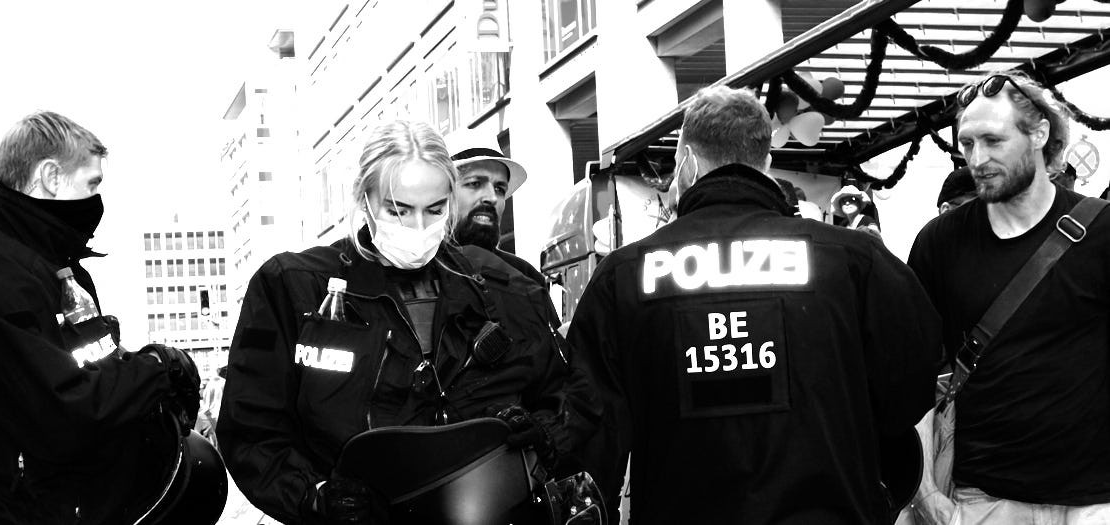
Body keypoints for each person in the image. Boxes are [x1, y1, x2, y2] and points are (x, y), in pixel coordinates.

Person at [568, 86, 941, 523]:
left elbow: (592, 436)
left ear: (685, 161)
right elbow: (910, 389)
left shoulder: (625, 275)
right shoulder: (853, 262)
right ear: (765, 162)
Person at [217, 120, 598, 524]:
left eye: (434, 210)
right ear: (365, 200)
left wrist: (544, 435)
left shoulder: (510, 288)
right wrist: (315, 496)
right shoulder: (291, 288)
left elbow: (574, 394)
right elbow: (251, 428)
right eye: (399, 209)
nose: (418, 227)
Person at [0, 111, 201, 524]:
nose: (96, 199)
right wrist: (157, 368)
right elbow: (62, 409)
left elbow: (90, 372)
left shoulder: (51, 266)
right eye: (91, 183)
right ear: (50, 177)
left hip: (68, 505)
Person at [908, 72, 1110, 521]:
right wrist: (924, 491)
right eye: (966, 143)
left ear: (1039, 134)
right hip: (985, 497)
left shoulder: (1102, 231)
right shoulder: (940, 243)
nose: (977, 158)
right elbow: (914, 374)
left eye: (993, 141)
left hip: (1096, 499)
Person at [445, 129, 544, 286]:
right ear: (441, 193)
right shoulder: (416, 271)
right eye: (475, 183)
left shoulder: (525, 277)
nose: (491, 198)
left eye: (499, 189)